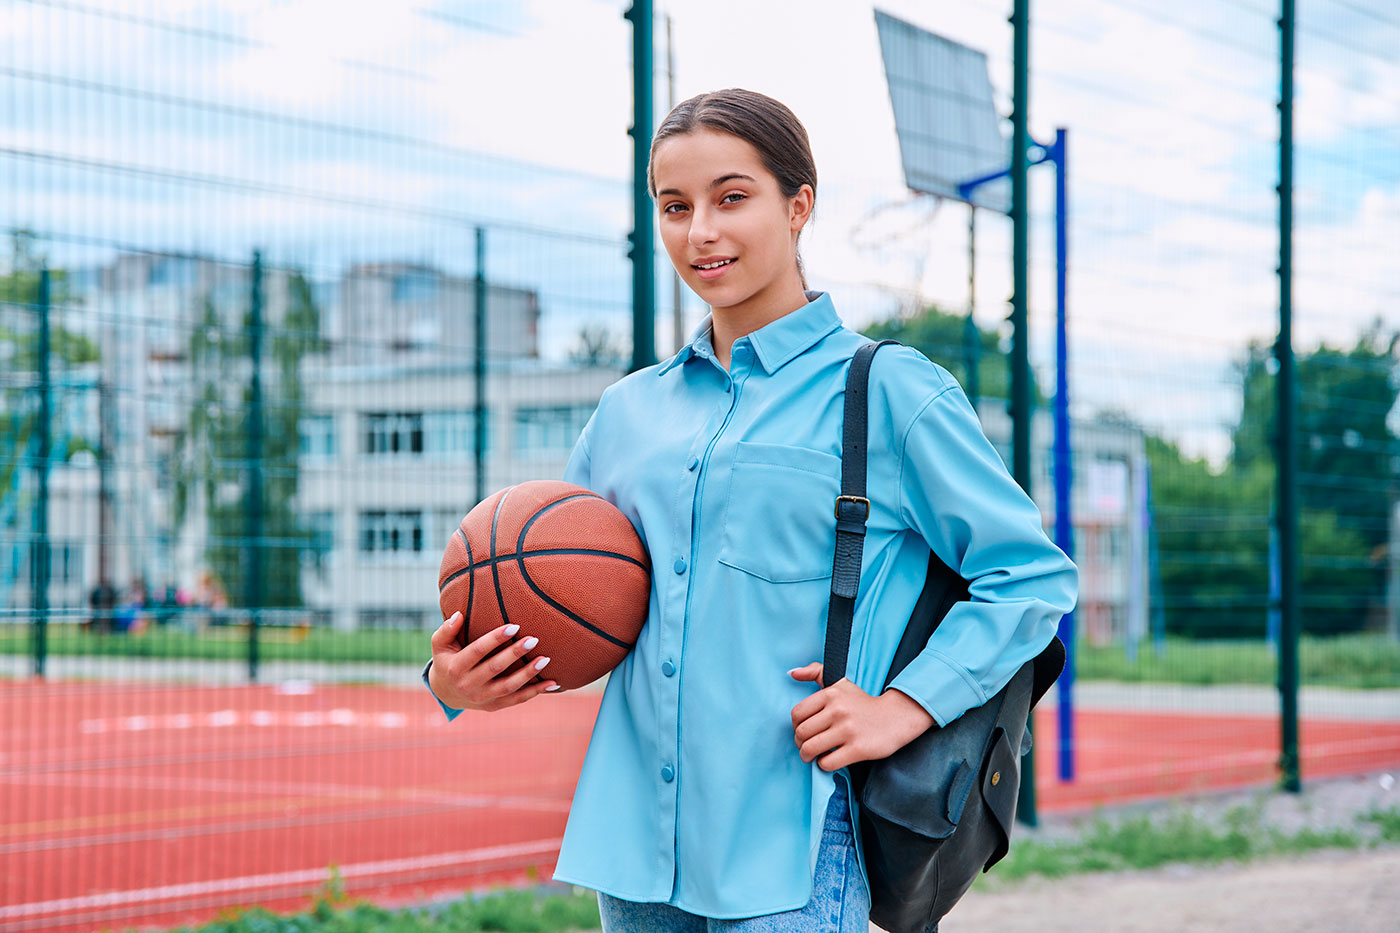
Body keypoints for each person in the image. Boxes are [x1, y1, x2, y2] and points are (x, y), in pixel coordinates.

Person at [425, 88, 1077, 932]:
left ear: (799, 204)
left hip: (798, 841)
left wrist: (901, 706)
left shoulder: (888, 391)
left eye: (732, 198)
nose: (701, 232)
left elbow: (1029, 577)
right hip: (633, 846)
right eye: (674, 206)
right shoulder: (628, 414)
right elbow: (557, 587)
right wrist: (454, 678)